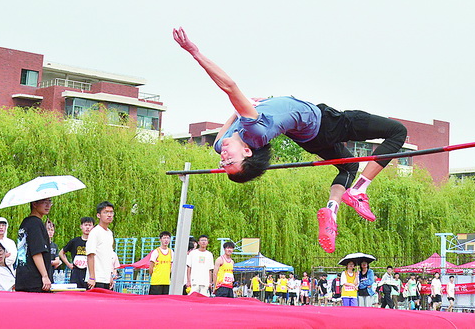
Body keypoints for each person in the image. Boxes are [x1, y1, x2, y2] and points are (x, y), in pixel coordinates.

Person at [173, 28, 407, 254]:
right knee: (397, 132)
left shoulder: (220, 143)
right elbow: (230, 87)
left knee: (349, 166)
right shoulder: (254, 130)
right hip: (326, 124)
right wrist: (195, 52)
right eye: (230, 161)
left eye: (224, 163)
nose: (224, 158)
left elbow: (233, 115)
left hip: (309, 138)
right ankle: (358, 190)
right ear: (247, 152)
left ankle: (332, 210)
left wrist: (252, 106)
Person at [15, 198, 53, 292]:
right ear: (34, 204)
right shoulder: (35, 223)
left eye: (49, 202)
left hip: (23, 277)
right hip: (35, 280)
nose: (48, 205)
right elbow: (36, 251)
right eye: (44, 202)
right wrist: (45, 276)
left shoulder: (26, 222)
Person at [86, 201, 117, 290]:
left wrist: (110, 275)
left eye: (111, 212)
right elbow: (90, 255)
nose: (109, 215)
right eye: (106, 212)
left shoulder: (109, 233)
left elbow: (109, 256)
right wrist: (92, 277)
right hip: (96, 279)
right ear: (98, 215)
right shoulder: (95, 232)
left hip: (106, 278)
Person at [59, 216, 94, 289]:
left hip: (89, 273)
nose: (87, 227)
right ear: (81, 226)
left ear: (93, 227)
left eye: (90, 225)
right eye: (85, 225)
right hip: (76, 273)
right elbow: (61, 253)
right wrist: (68, 264)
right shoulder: (75, 241)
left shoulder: (95, 242)